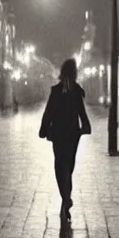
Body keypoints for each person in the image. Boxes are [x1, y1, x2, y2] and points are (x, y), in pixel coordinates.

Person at [39, 58, 92, 224]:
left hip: (59, 134)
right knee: (68, 167)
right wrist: (85, 127)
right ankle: (66, 198)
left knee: (59, 166)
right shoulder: (76, 90)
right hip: (72, 135)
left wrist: (44, 129)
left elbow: (49, 112)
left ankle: (65, 197)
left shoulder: (56, 90)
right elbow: (81, 112)